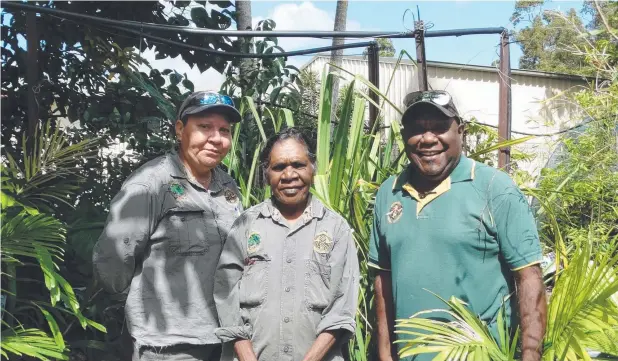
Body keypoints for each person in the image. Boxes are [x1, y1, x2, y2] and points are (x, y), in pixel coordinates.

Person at [370, 90, 547, 361]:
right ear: (404, 137)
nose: (428, 139)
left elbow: (529, 277)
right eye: (417, 130)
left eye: (440, 128)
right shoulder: (388, 193)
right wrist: (385, 355)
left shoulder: (493, 188)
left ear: (460, 131)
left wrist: (531, 357)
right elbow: (383, 281)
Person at [93, 91, 243, 361]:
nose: (216, 139)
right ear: (179, 130)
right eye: (205, 127)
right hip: (167, 346)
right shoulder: (150, 184)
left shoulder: (228, 187)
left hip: (222, 340)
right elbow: (113, 259)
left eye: (224, 130)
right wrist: (138, 302)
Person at [214, 128, 360, 361]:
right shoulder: (246, 225)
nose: (289, 175)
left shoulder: (336, 230)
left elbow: (341, 310)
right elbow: (225, 294)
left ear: (313, 168)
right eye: (279, 167)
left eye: (298, 165)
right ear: (266, 173)